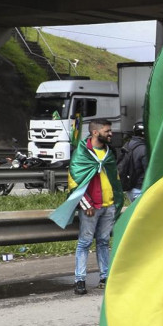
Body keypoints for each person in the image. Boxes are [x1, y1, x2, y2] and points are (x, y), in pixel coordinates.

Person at [68, 119, 123, 295]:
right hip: (91, 207)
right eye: (107, 131)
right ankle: (80, 280)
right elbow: (74, 181)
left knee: (104, 241)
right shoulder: (81, 154)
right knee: (84, 243)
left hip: (109, 205)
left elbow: (115, 178)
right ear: (95, 132)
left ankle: (105, 277)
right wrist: (86, 204)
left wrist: (115, 202)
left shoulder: (109, 153)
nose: (111, 134)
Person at [118, 122, 149, 202]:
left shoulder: (127, 145)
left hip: (130, 188)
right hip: (140, 188)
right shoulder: (143, 149)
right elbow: (148, 170)